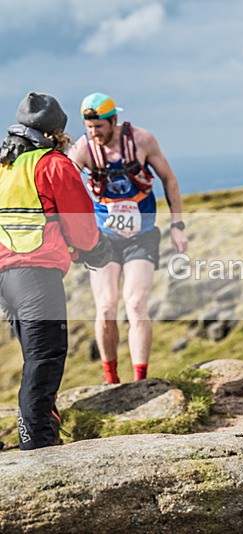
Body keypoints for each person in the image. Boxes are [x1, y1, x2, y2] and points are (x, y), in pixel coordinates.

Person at [0, 92, 112, 449]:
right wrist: (93, 251)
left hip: (5, 277)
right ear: (54, 133)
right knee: (45, 357)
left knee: (34, 355)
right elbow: (81, 228)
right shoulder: (52, 164)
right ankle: (37, 442)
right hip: (33, 274)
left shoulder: (4, 166)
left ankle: (35, 429)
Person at [69, 92, 188, 384]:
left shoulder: (142, 140)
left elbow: (169, 179)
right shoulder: (82, 150)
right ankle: (110, 378)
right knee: (107, 306)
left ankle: (140, 379)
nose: (94, 132)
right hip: (103, 237)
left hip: (142, 234)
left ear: (113, 121)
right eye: (89, 126)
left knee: (134, 303)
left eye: (99, 126)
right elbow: (65, 185)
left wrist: (177, 225)